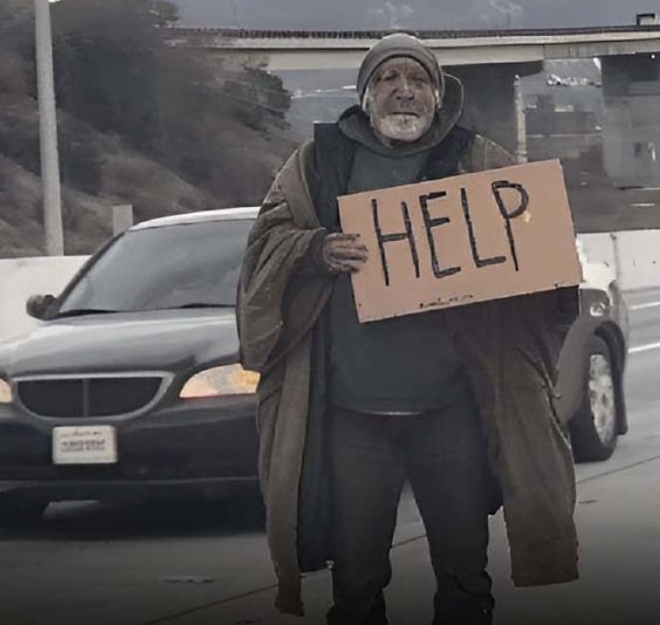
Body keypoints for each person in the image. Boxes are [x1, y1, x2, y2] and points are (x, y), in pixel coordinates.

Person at [236, 33, 581, 625]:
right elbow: (264, 245)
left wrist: (547, 260)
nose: (404, 92)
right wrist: (315, 249)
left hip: (453, 409)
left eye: (418, 81)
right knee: (357, 582)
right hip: (352, 412)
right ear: (366, 95)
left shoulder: (480, 159)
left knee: (465, 574)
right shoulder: (316, 163)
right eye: (389, 79)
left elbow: (536, 250)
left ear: (439, 94)